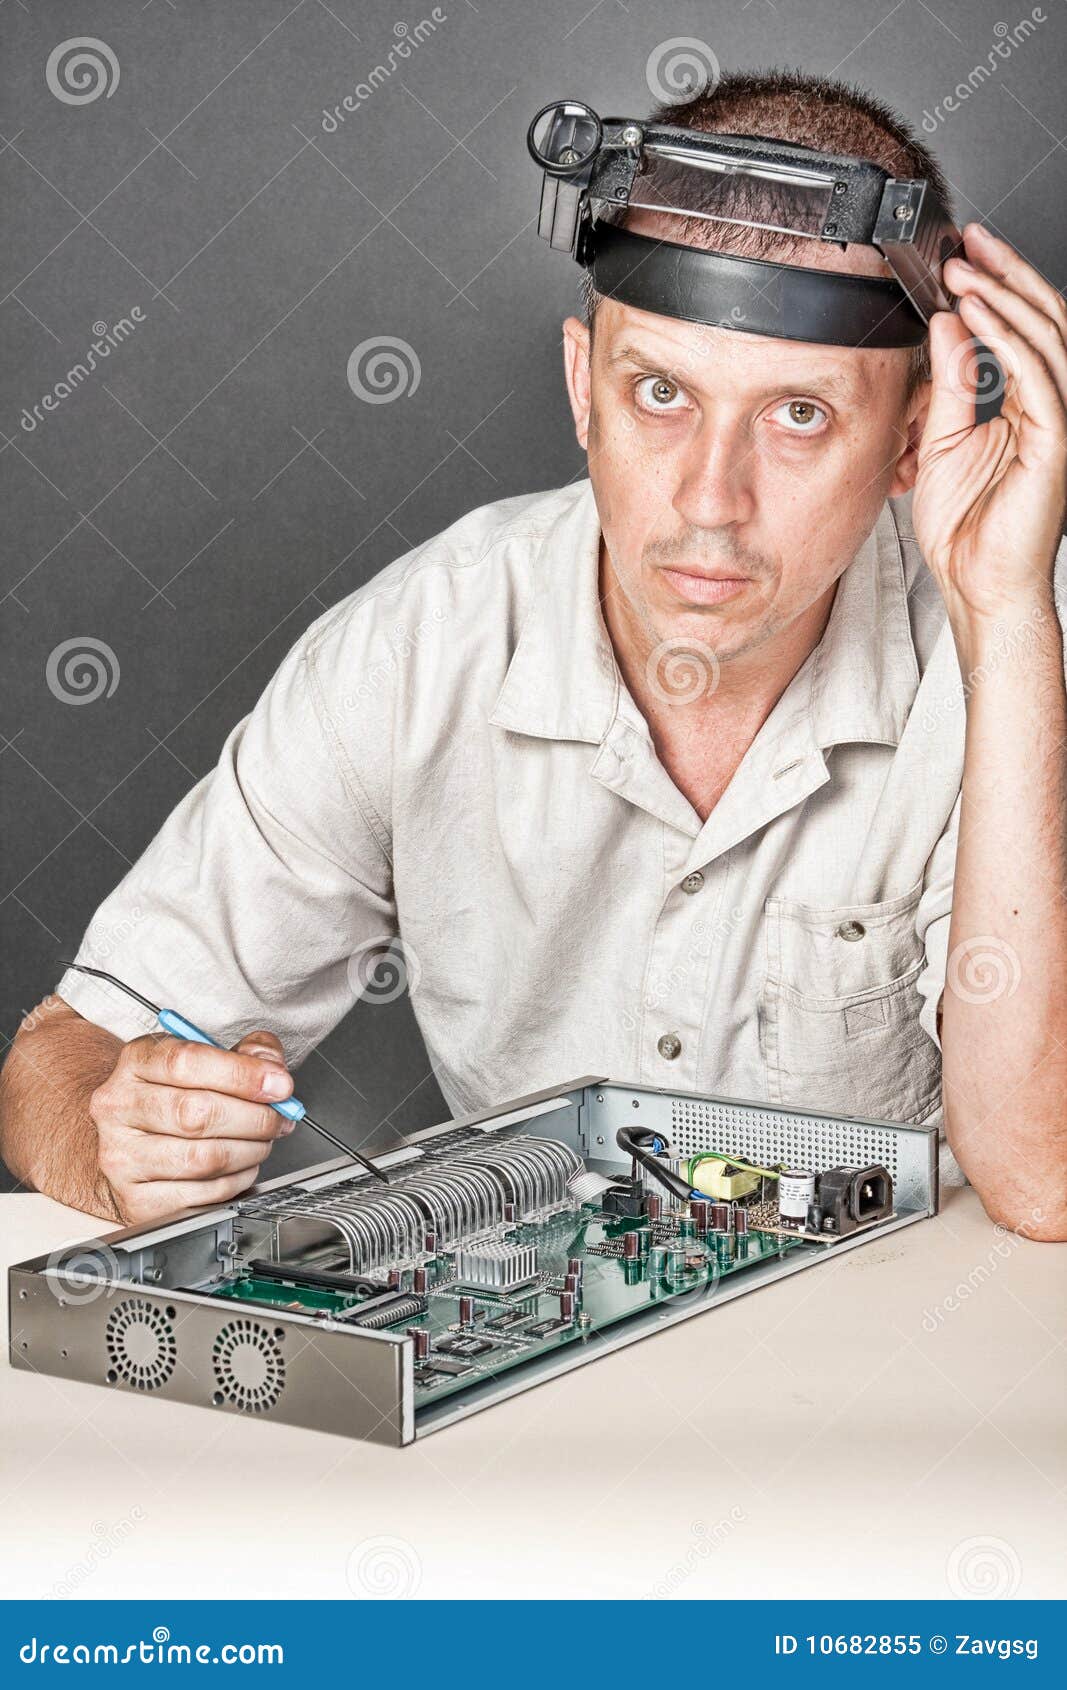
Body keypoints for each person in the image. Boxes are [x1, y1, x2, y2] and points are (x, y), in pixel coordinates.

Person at [3, 70, 1066, 1238]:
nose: (710, 502)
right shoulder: (418, 648)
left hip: (902, 1376)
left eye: (799, 415)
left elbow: (1042, 1177)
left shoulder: (1014, 647)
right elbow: (64, 1054)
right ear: (581, 389)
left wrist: (1009, 616)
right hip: (537, 1369)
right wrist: (119, 1136)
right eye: (660, 392)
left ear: (912, 442)